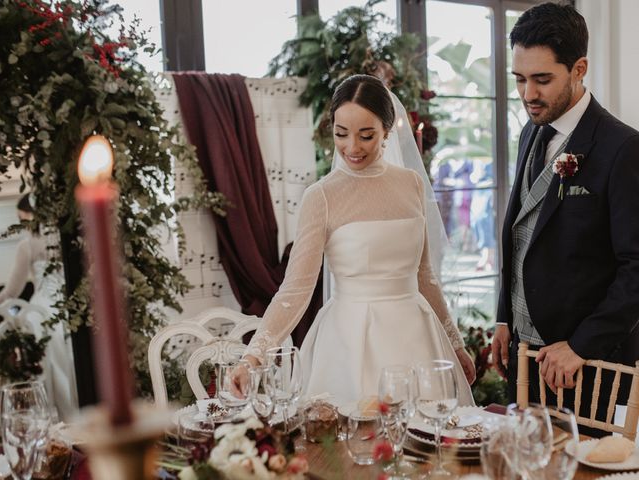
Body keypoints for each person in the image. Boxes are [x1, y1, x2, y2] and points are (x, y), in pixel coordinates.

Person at [233, 74, 476, 405]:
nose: (352, 147)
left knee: (427, 439)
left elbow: (424, 275)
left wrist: (456, 343)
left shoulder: (412, 185)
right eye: (341, 134)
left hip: (417, 336)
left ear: (387, 131)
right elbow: (295, 290)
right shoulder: (321, 196)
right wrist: (253, 358)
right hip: (349, 341)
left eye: (366, 135)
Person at [491, 2, 639, 433]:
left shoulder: (622, 149)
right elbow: (520, 232)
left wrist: (579, 346)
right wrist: (506, 318)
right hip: (526, 354)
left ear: (579, 69)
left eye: (542, 80)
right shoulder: (529, 133)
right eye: (519, 79)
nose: (527, 94)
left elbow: (637, 267)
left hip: (587, 362)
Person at [0, 194, 78, 420]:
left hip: (42, 313)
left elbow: (12, 291)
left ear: (31, 213)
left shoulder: (28, 244)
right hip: (71, 310)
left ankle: (55, 417)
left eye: (21, 216)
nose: (20, 220)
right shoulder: (67, 236)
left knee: (48, 367)